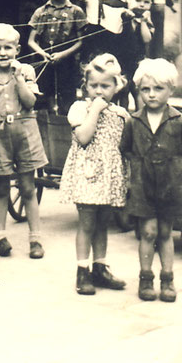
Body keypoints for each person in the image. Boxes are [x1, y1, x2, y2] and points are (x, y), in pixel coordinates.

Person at [120, 58, 182, 303]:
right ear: (138, 91)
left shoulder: (181, 122)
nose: (151, 95)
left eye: (158, 89)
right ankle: (146, 278)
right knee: (148, 231)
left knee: (165, 231)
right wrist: (139, 169)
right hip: (143, 184)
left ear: (171, 90)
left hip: (170, 185)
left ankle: (167, 279)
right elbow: (126, 149)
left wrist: (176, 168)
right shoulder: (133, 121)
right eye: (145, 90)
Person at [0, 23, 48, 259]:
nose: (3, 53)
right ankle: (0, 237)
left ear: (17, 49)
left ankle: (35, 239)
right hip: (1, 138)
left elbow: (30, 103)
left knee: (28, 187)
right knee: (1, 189)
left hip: (25, 133)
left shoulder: (25, 72)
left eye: (8, 48)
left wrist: (18, 80)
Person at [60, 53, 129, 295]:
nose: (99, 91)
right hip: (87, 174)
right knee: (87, 223)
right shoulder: (80, 108)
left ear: (116, 86)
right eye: (94, 85)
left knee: (103, 224)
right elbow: (84, 137)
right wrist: (96, 110)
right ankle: (82, 271)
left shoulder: (120, 113)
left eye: (105, 86)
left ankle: (100, 267)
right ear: (85, 86)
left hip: (108, 177)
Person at [62, 0, 148, 109]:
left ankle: (122, 125)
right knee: (96, 88)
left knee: (123, 89)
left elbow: (137, 19)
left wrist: (131, 16)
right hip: (97, 45)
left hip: (123, 46)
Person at [26, 0, 87, 114]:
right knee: (46, 99)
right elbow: (31, 41)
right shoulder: (41, 12)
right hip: (45, 58)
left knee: (67, 99)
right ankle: (48, 131)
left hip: (67, 60)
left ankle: (66, 130)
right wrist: (42, 53)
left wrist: (63, 55)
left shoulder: (76, 11)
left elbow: (81, 42)